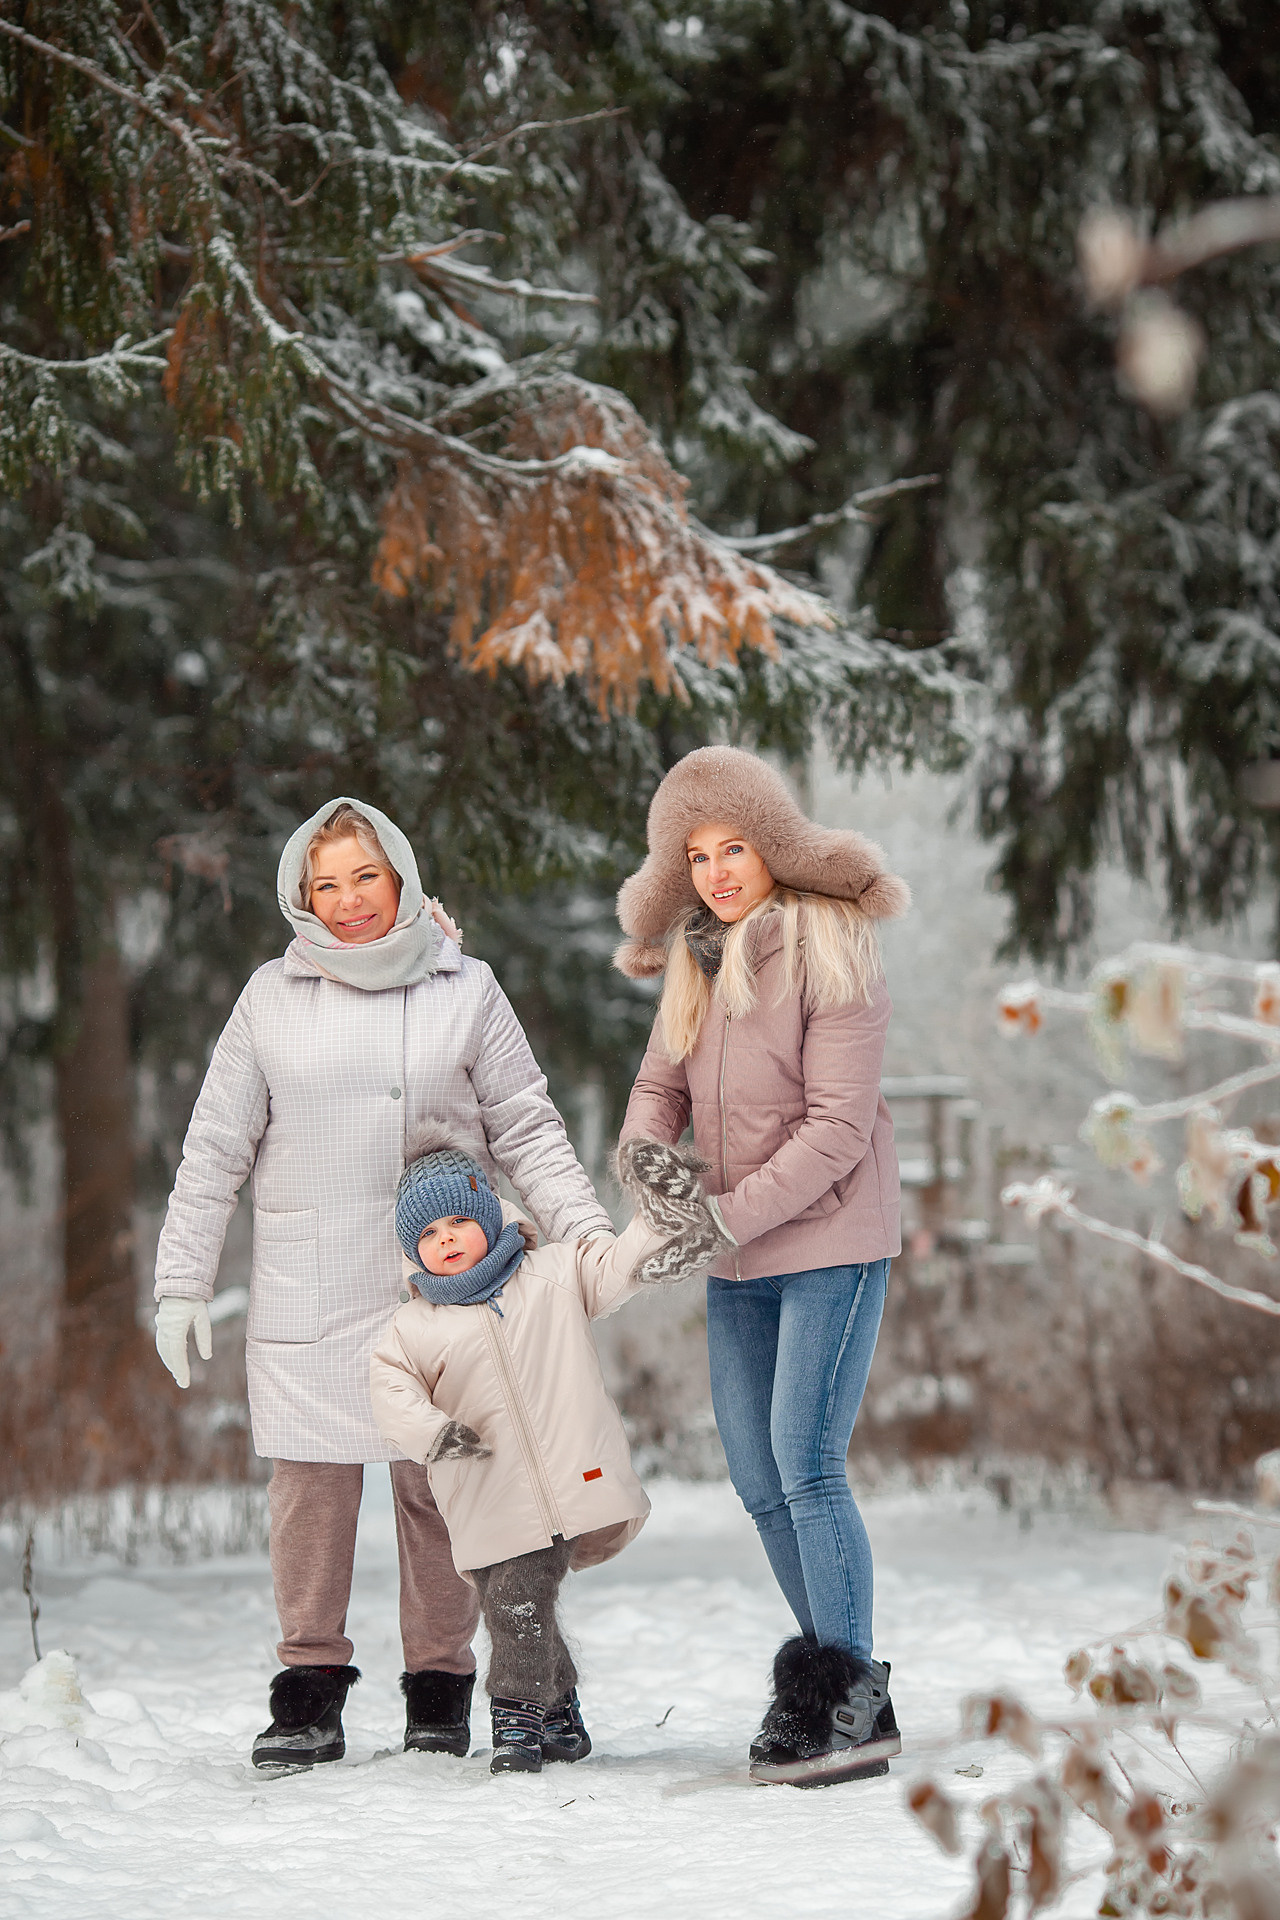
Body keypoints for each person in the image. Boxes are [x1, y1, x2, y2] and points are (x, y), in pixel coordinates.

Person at [152, 798, 616, 1770]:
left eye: (365, 875)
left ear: (400, 877)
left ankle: (439, 1690)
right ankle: (307, 1695)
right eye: (325, 884)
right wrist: (180, 1282)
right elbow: (214, 1148)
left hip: (443, 1284)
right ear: (301, 896)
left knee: (439, 1487)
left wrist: (587, 1235)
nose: (348, 899)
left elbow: (526, 1124)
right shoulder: (270, 997)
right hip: (309, 1282)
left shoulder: (465, 986)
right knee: (309, 1498)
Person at [616, 745, 909, 1788]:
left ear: (772, 845)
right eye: (695, 856)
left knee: (807, 1463)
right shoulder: (695, 960)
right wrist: (651, 1174)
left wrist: (717, 1221)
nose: (716, 873)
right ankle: (828, 1687)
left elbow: (836, 1130)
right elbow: (657, 1092)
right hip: (735, 1257)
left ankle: (851, 1703)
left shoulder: (834, 948)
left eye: (732, 848)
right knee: (756, 1477)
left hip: (830, 1244)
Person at [369, 1128, 731, 1773]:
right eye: (428, 1233)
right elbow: (390, 1393)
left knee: (518, 1598)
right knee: (511, 1603)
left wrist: (657, 1217)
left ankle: (516, 1719)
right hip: (484, 1497)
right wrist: (434, 1434)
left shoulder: (553, 1276)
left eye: (458, 1221)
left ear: (489, 1216)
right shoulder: (413, 1326)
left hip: (565, 1480)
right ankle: (561, 1716)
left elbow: (614, 1268)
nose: (446, 1239)